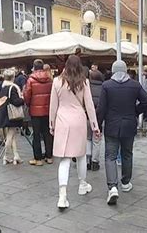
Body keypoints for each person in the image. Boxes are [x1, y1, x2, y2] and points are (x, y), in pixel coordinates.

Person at [49, 55, 100, 210]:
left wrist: (51, 124)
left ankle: (62, 195)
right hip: (78, 120)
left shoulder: (57, 81)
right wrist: (95, 126)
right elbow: (89, 105)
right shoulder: (84, 82)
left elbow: (53, 105)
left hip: (62, 120)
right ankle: (82, 184)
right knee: (81, 155)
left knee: (64, 159)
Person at [97, 60, 147, 205]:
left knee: (110, 156)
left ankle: (112, 187)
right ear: (126, 70)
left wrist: (97, 125)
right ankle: (126, 183)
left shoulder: (106, 85)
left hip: (112, 126)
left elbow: (101, 108)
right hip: (129, 125)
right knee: (127, 154)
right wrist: (135, 112)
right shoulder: (134, 85)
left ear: (113, 71)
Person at [24, 59, 54, 166]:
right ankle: (49, 156)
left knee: (36, 135)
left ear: (34, 67)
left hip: (35, 111)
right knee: (47, 134)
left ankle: (38, 159)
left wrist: (29, 104)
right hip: (47, 110)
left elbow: (27, 95)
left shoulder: (31, 79)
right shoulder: (50, 79)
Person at [0, 68, 25, 165]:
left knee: (12, 136)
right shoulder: (13, 88)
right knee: (10, 136)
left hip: (4, 114)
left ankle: (16, 156)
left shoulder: (3, 88)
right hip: (12, 115)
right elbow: (16, 102)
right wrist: (23, 99)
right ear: (13, 77)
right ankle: (6, 156)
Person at [86, 70, 103, 171]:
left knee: (87, 139)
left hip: (87, 117)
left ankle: (87, 161)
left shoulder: (87, 87)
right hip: (98, 118)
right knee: (97, 140)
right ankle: (95, 162)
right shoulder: (103, 88)